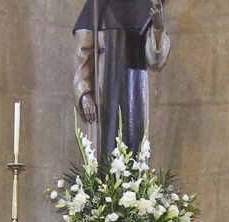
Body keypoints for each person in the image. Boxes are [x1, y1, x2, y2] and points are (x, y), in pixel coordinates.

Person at [73, 0, 170, 161]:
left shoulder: (145, 5)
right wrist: (85, 94)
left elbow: (155, 60)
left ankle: (135, 176)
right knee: (105, 146)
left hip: (136, 87)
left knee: (134, 146)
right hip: (104, 86)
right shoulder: (96, 4)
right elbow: (82, 52)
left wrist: (158, 29)